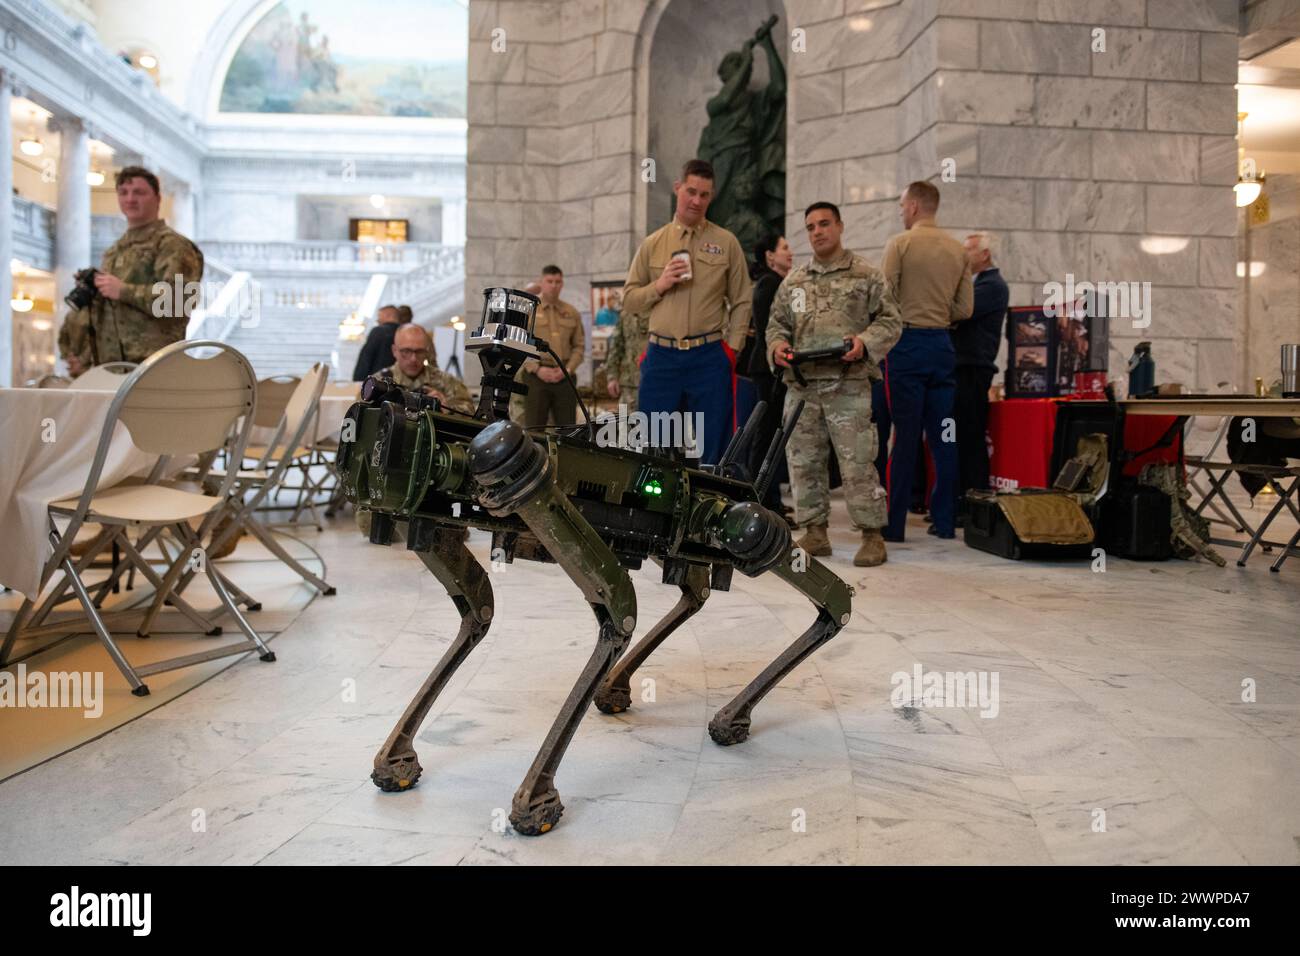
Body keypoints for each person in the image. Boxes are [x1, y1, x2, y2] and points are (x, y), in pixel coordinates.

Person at [767, 202, 901, 567]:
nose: (817, 232)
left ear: (840, 226)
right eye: (810, 226)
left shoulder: (866, 276)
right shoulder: (794, 281)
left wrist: (864, 343)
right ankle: (814, 531)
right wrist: (777, 346)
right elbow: (777, 324)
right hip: (803, 387)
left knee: (858, 462)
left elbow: (891, 321)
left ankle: (872, 535)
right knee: (803, 461)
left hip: (849, 385)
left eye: (824, 224)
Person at [623, 159, 752, 464]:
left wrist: (731, 349)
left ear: (712, 196)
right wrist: (661, 284)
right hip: (661, 358)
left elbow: (743, 299)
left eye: (704, 195)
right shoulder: (653, 244)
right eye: (691, 191)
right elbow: (629, 300)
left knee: (713, 447)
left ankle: (710, 505)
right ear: (678, 188)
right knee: (653, 446)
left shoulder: (726, 243)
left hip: (708, 357)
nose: (696, 200)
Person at [879, 181, 973, 542]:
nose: (901, 211)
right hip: (942, 345)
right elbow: (965, 308)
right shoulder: (957, 250)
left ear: (915, 206)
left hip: (906, 345)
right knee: (943, 438)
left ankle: (895, 526)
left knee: (903, 439)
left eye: (902, 205)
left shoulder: (900, 244)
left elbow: (885, 297)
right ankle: (946, 522)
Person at [57, 166, 203, 373]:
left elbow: (179, 302)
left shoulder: (173, 246)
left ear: (158, 199)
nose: (130, 199)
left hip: (154, 368)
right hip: (111, 369)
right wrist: (84, 357)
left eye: (139, 192)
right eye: (123, 192)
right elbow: (109, 316)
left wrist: (124, 290)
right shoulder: (114, 251)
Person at [952, 232, 1009, 519]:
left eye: (968, 251)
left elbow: (960, 311)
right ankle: (959, 499)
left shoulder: (992, 285)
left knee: (970, 437)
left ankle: (972, 502)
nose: (963, 256)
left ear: (984, 254)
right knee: (959, 437)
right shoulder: (978, 283)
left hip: (973, 370)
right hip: (961, 368)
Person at [741, 233, 793, 514]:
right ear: (769, 256)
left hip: (772, 369)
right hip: (769, 369)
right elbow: (767, 331)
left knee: (772, 433)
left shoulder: (776, 283)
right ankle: (763, 499)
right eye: (784, 247)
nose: (790, 253)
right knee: (768, 434)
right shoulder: (769, 284)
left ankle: (768, 497)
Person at [522, 265, 585, 428]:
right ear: (541, 282)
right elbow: (520, 344)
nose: (553, 285)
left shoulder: (572, 312)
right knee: (534, 429)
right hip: (536, 377)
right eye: (549, 281)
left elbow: (579, 347)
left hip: (564, 377)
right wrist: (536, 369)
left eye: (557, 281)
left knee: (568, 430)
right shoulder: (529, 311)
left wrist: (568, 369)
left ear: (562, 284)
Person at [379, 323, 473, 415]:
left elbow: (470, 413)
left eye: (420, 352)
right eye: (406, 351)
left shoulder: (446, 381)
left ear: (427, 351)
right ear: (394, 351)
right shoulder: (380, 383)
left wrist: (447, 408)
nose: (413, 359)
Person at [605, 306, 650, 410]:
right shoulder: (626, 314)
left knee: (658, 423)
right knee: (627, 424)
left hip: (658, 383)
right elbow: (616, 346)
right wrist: (612, 377)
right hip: (629, 384)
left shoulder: (664, 311)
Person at [352, 304, 402, 380]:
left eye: (379, 316)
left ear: (388, 315)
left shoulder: (378, 331)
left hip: (378, 381)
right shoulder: (405, 333)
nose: (377, 320)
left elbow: (366, 358)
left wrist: (358, 380)